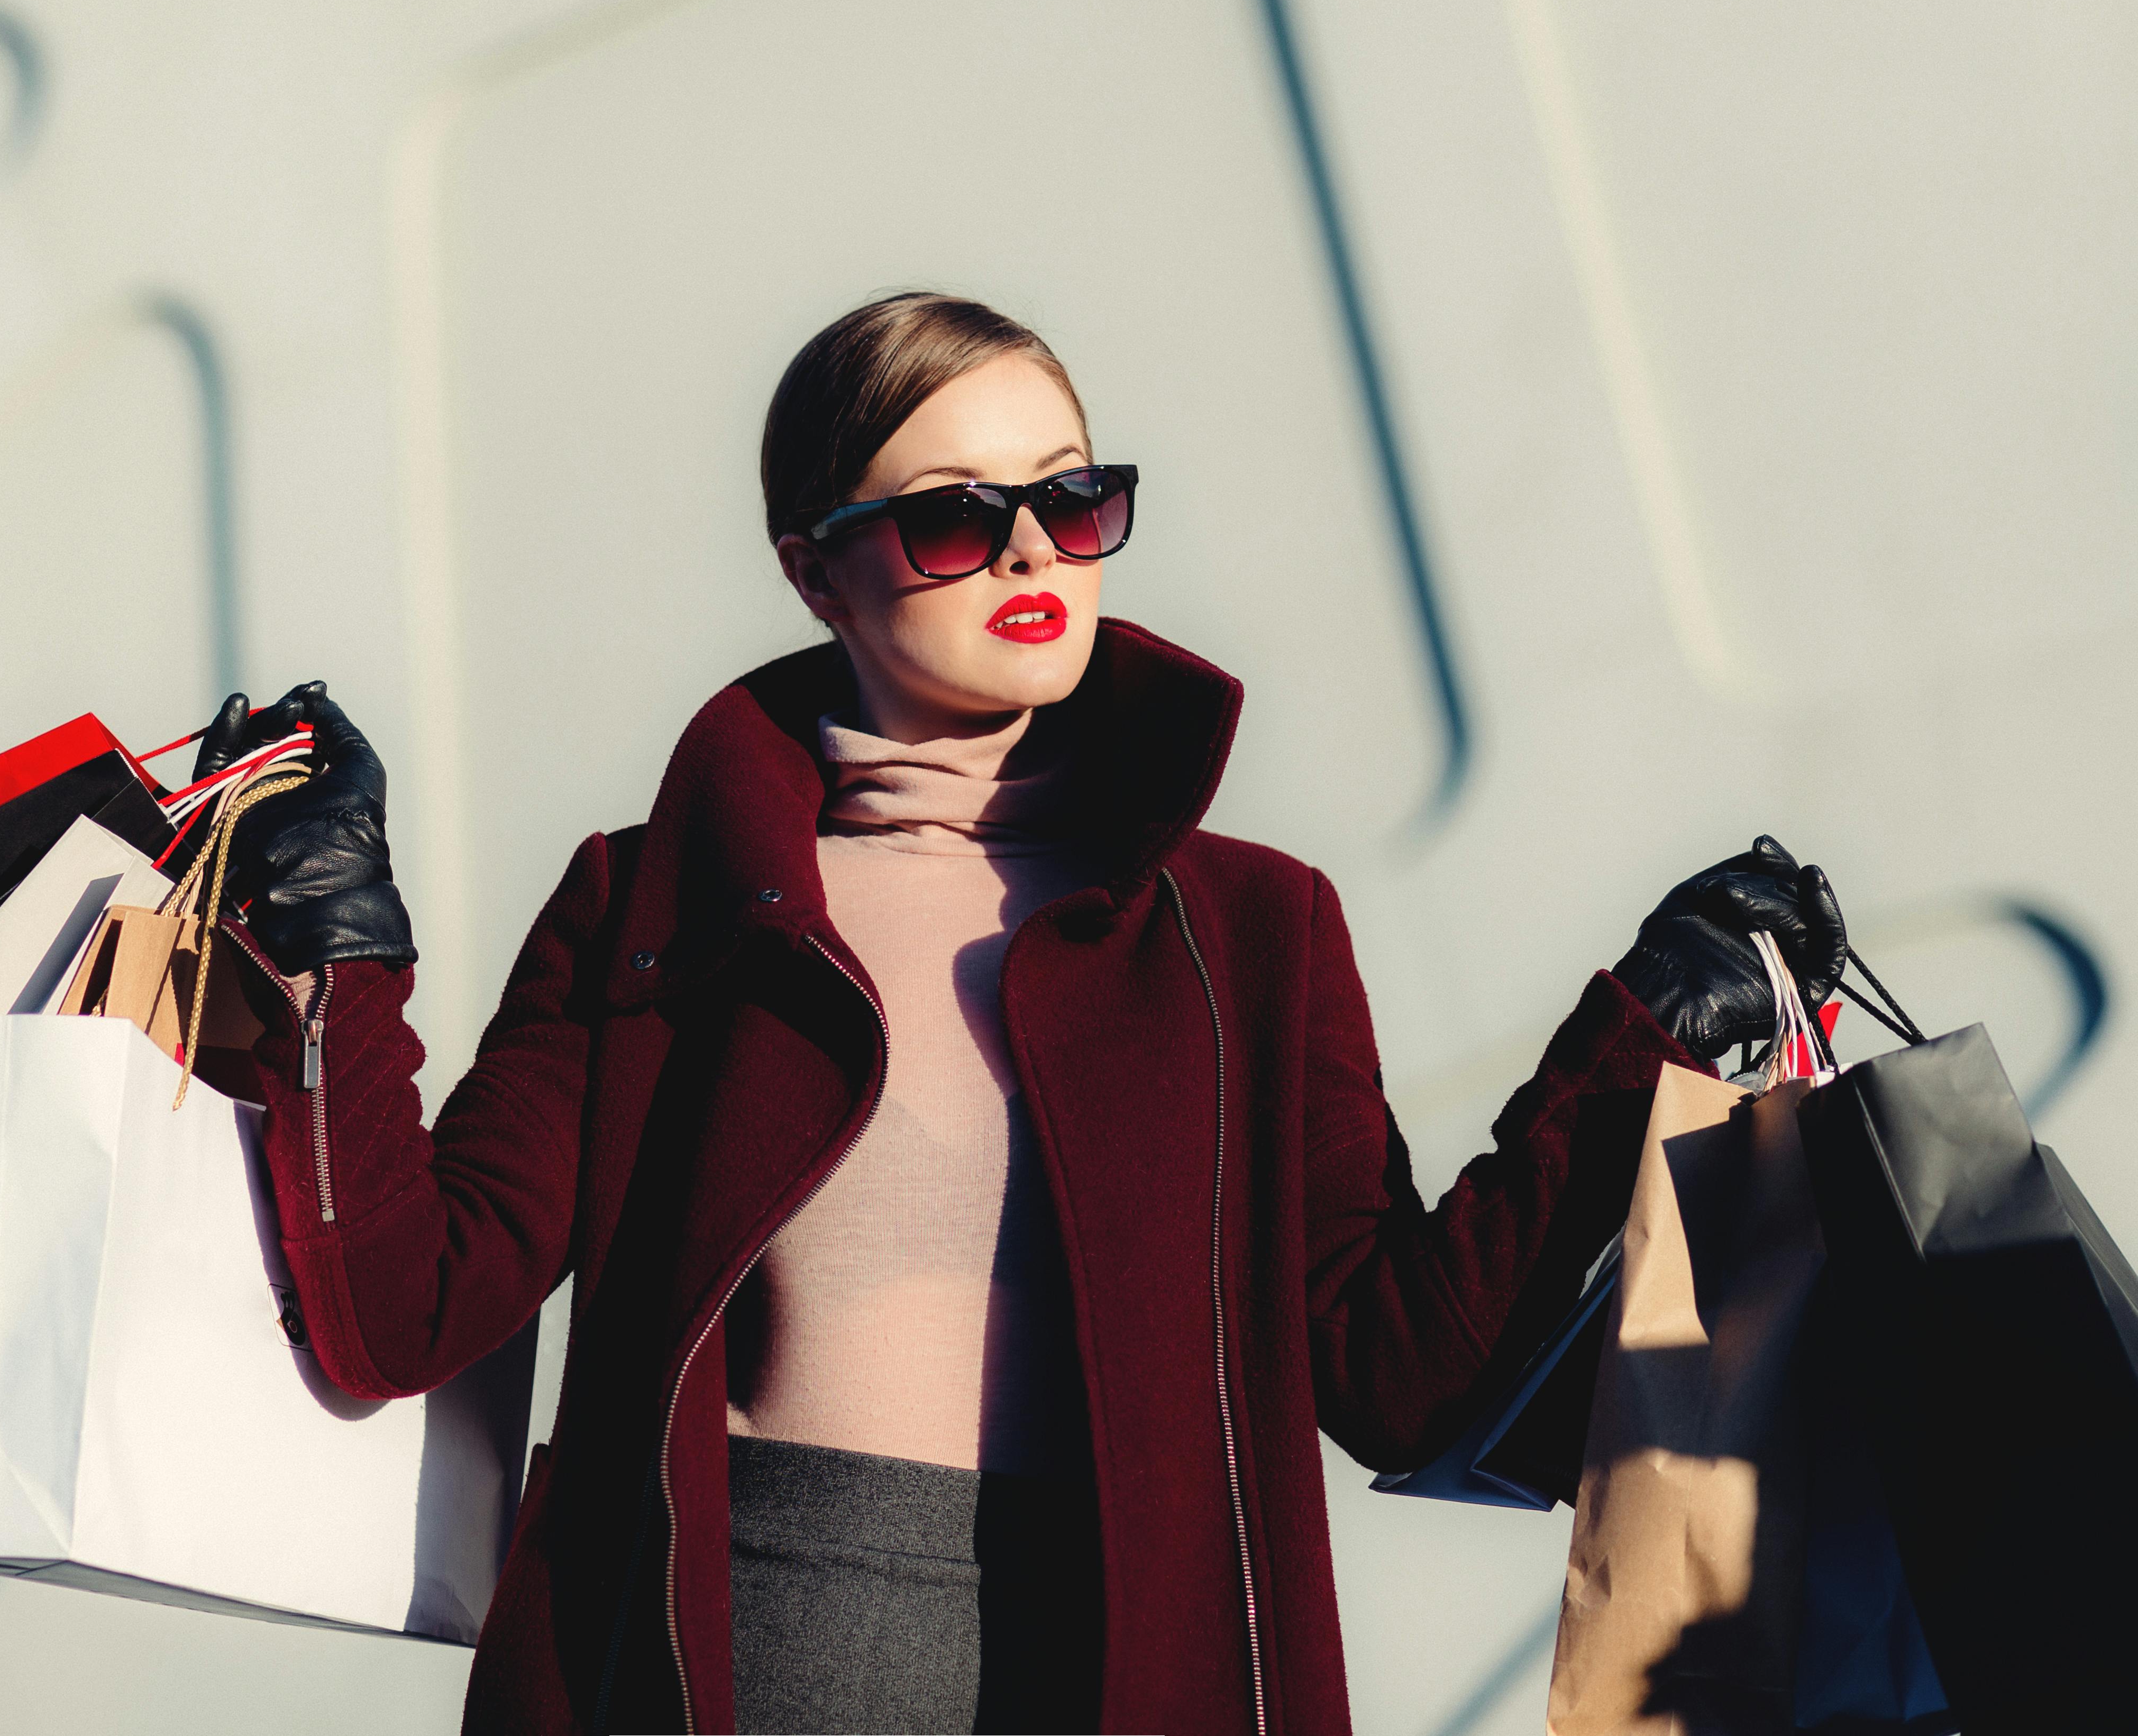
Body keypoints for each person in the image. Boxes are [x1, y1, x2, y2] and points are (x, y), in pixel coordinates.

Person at [190, 293, 1847, 1734]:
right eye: (951, 519)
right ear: (812, 568)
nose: (1037, 552)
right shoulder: (658, 902)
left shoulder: (1250, 928)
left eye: (1073, 495)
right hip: (746, 1659)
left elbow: (1393, 1371)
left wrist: (1639, 1031)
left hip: (1138, 1660)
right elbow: (404, 1304)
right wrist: (340, 942)